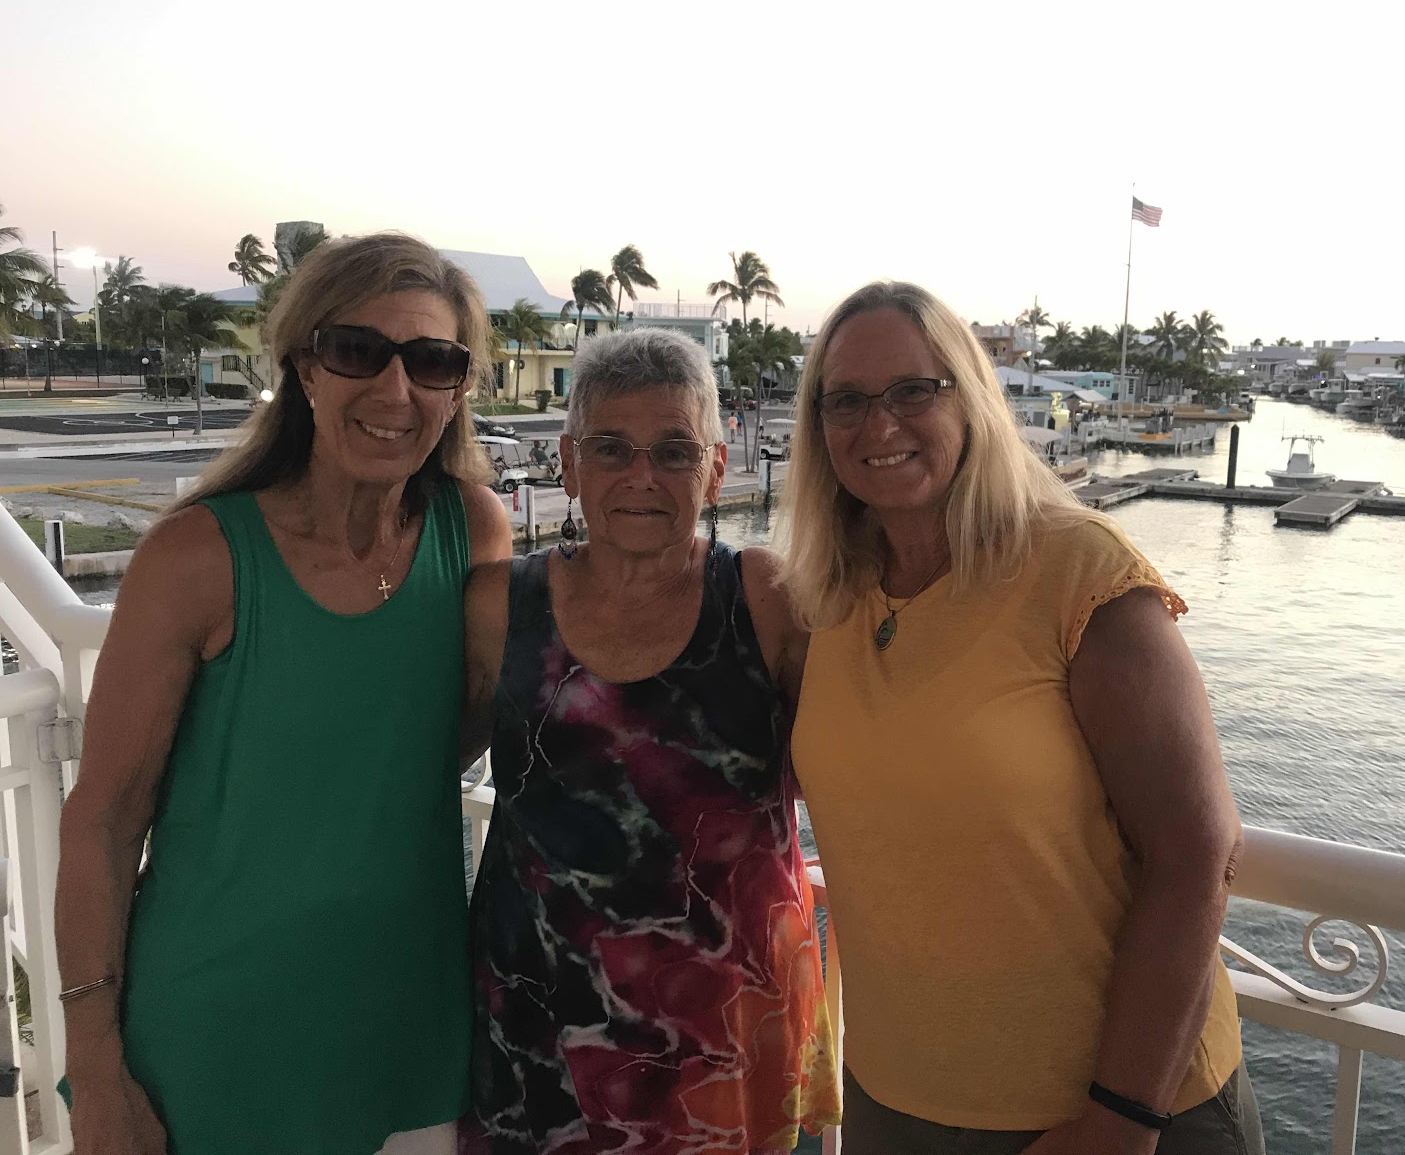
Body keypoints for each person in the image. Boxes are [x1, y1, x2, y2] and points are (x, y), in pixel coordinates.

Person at [777, 281, 1264, 1155]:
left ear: (970, 398)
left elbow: (1197, 849)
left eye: (913, 390)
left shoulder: (1075, 570)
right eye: (845, 400)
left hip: (1104, 1110)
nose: (879, 424)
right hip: (895, 1100)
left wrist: (1121, 1119)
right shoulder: (827, 594)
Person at [56, 232, 513, 1155]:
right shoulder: (198, 557)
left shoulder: (472, 532)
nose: (395, 390)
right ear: (304, 367)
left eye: (432, 360)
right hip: (216, 1036)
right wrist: (97, 1068)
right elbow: (103, 817)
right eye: (357, 351)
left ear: (460, 388)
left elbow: (436, 737)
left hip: (409, 1027)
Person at [459, 328, 839, 1154]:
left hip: (721, 1037)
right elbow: (419, 765)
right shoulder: (497, 605)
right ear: (568, 462)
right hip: (538, 1028)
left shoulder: (767, 599)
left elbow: (846, 777)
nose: (642, 476)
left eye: (674, 451)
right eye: (610, 448)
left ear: (715, 467)